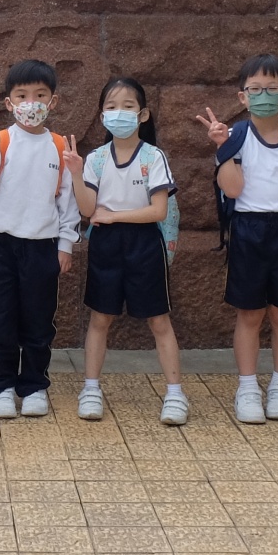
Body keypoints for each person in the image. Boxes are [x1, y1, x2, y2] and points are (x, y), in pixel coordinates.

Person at [199, 55, 278, 425]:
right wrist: (222, 148)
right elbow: (233, 189)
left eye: (272, 89)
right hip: (248, 230)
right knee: (250, 313)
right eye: (255, 89)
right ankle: (248, 387)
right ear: (243, 96)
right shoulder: (236, 136)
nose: (264, 95)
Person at [63, 77, 186, 425]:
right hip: (106, 244)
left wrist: (115, 216)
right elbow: (88, 209)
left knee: (158, 319)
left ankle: (175, 393)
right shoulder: (96, 158)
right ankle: (90, 389)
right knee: (100, 318)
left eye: (128, 107)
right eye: (112, 107)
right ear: (102, 116)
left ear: (143, 114)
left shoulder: (153, 156)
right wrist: (76, 174)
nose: (119, 113)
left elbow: (158, 211)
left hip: (145, 243)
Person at [0, 59, 80, 420]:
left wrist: (65, 245)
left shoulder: (59, 147)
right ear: (9, 102)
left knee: (39, 319)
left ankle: (33, 386)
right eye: (22, 95)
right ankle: (0, 386)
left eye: (40, 95)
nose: (31, 103)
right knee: (1, 318)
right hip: (0, 244)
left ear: (53, 101)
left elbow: (67, 202)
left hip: (42, 246)